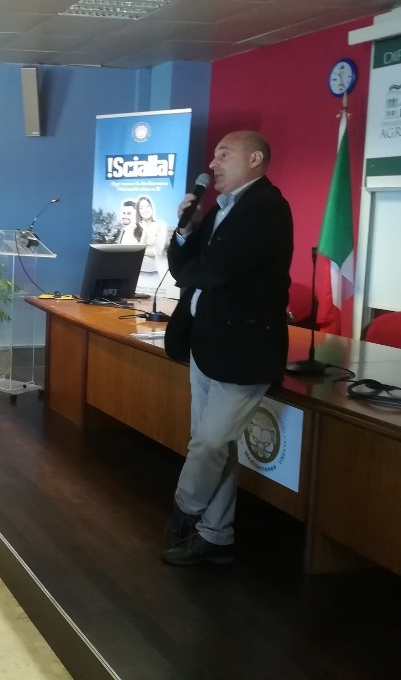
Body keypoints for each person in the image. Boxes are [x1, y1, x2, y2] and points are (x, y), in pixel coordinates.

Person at [162, 130, 293, 566]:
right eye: (214, 155)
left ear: (255, 159)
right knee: (214, 444)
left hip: (244, 349)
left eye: (224, 154)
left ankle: (184, 509)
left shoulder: (266, 207)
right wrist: (186, 229)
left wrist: (192, 267)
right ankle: (215, 535)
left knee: (210, 442)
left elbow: (216, 271)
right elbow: (184, 266)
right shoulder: (221, 207)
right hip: (206, 342)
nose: (212, 163)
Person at [135, 195, 169, 276]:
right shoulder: (135, 227)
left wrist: (139, 251)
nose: (145, 210)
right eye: (141, 208)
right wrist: (145, 230)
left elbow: (159, 251)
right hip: (136, 271)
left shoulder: (160, 225)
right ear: (138, 211)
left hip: (153, 272)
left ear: (151, 207)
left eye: (147, 206)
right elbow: (134, 252)